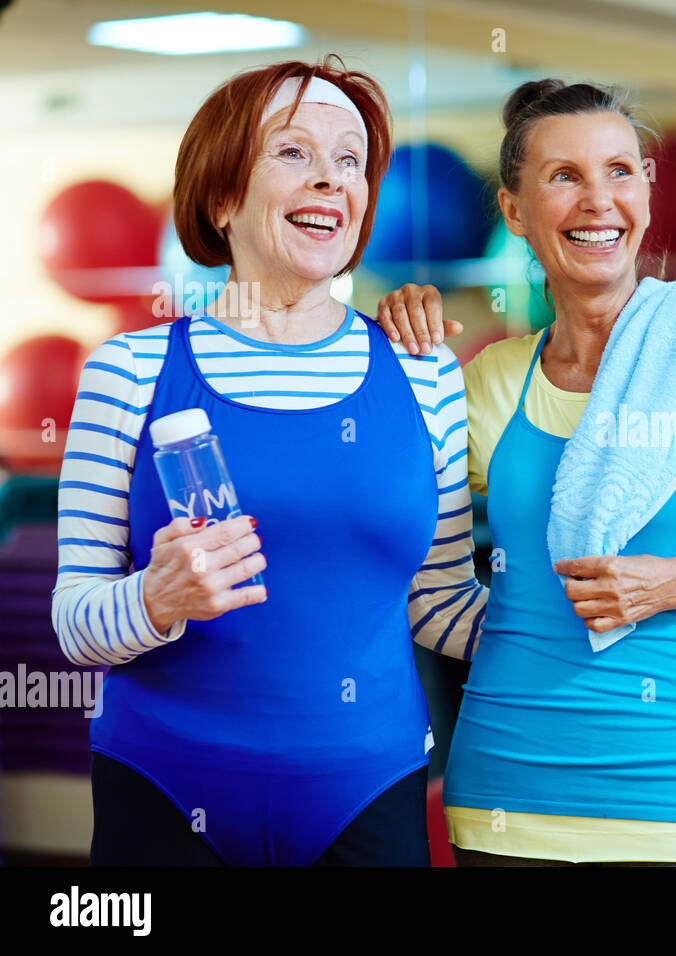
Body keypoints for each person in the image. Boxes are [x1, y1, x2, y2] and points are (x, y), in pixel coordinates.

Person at [376, 79, 676, 866]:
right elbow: (410, 563)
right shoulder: (490, 381)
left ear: (646, 195)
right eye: (564, 176)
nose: (599, 201)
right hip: (507, 782)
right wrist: (393, 348)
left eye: (620, 171)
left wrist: (672, 584)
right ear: (515, 211)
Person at [51, 56, 485, 867]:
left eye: (349, 161)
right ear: (222, 198)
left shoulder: (425, 372)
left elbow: (440, 603)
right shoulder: (130, 370)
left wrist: (621, 612)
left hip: (368, 791)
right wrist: (156, 596)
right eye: (294, 153)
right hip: (164, 788)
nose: (331, 179)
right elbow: (75, 622)